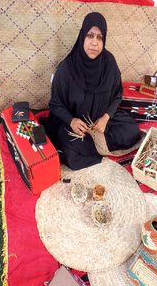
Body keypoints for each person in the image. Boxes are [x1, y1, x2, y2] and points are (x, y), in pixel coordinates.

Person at [39, 12, 140, 170]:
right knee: (70, 153)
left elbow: (117, 95)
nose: (94, 43)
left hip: (101, 125)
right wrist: (72, 121)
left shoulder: (109, 63)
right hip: (76, 127)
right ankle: (94, 147)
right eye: (90, 35)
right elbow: (55, 103)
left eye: (99, 37)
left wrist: (106, 118)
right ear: (82, 37)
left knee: (132, 131)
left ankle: (91, 147)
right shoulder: (67, 69)